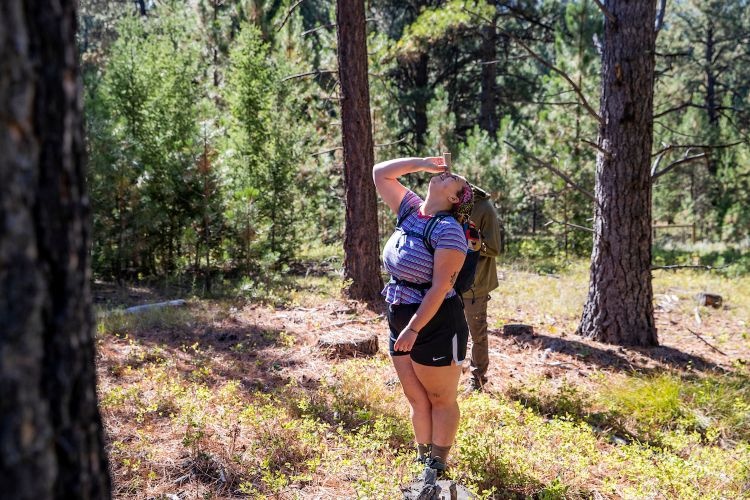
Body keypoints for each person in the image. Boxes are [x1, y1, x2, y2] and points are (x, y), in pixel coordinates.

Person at [373, 156, 474, 476]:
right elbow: (381, 174)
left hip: (436, 323)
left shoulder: (450, 232)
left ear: (455, 199)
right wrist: (421, 163)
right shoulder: (411, 210)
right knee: (416, 397)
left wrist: (414, 329)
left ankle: (438, 463)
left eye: (453, 180)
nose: (447, 175)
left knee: (440, 397)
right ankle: (422, 456)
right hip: (399, 314)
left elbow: (440, 288)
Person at [463, 185, 501, 392]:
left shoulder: (484, 208)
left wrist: (471, 243)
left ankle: (476, 380)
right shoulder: (450, 204)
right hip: (450, 282)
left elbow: (494, 247)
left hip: (475, 284)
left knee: (477, 334)